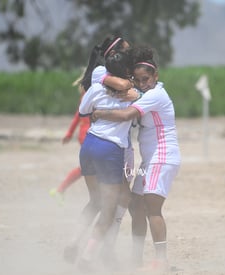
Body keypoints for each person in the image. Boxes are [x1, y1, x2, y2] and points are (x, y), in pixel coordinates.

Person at [92, 46, 181, 271]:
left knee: (152, 210)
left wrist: (100, 113)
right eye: (138, 80)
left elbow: (125, 114)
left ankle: (161, 261)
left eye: (146, 79)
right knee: (136, 206)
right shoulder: (145, 93)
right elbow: (131, 96)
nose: (142, 83)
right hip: (150, 160)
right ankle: (136, 258)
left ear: (156, 76)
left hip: (163, 156)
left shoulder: (156, 94)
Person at [61, 36, 136, 265]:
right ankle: (88, 256)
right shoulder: (106, 76)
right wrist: (129, 88)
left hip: (90, 145)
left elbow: (83, 111)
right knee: (109, 207)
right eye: (126, 51)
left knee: (95, 200)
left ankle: (73, 243)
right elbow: (126, 90)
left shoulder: (97, 85)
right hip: (110, 147)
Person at [49, 74, 90, 205]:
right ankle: (60, 190)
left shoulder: (87, 95)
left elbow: (77, 117)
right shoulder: (91, 95)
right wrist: (69, 133)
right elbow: (78, 116)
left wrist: (69, 134)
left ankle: (60, 190)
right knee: (88, 167)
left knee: (89, 167)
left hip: (85, 135)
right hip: (88, 135)